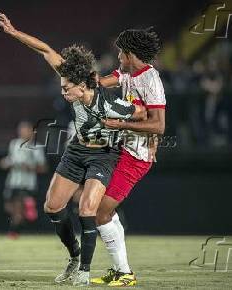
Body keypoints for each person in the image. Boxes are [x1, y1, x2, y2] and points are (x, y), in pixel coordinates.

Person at [0, 12, 147, 286]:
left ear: (81, 86)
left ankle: (85, 272)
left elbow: (142, 113)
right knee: (52, 206)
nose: (63, 92)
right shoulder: (74, 77)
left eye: (67, 89)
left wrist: (134, 113)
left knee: (88, 210)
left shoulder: (111, 104)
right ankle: (74, 257)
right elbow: (45, 50)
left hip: (103, 156)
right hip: (77, 151)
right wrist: (13, 32)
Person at [89, 28, 166, 286]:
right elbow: (101, 81)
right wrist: (83, 80)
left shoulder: (151, 80)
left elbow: (158, 126)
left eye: (121, 52)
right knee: (102, 210)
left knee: (100, 212)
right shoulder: (127, 73)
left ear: (130, 54)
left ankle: (124, 273)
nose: (118, 56)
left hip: (137, 157)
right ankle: (121, 271)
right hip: (123, 150)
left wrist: (120, 125)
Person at [0, 121, 47, 239]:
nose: (24, 132)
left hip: (27, 184)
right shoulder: (14, 144)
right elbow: (9, 160)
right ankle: (28, 207)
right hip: (12, 182)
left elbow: (43, 168)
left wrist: (29, 167)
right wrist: (5, 163)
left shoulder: (36, 147)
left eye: (27, 130)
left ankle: (13, 233)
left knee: (17, 211)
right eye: (22, 130)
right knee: (9, 208)